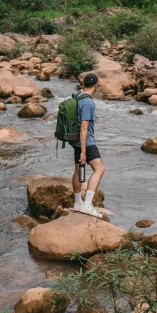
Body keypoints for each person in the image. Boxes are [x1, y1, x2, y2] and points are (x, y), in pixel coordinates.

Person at [70, 73, 105, 218]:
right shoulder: (88, 102)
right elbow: (84, 127)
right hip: (87, 142)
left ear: (83, 84)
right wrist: (84, 151)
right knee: (100, 169)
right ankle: (87, 204)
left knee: (78, 171)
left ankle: (78, 203)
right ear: (96, 85)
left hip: (77, 141)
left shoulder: (78, 96)